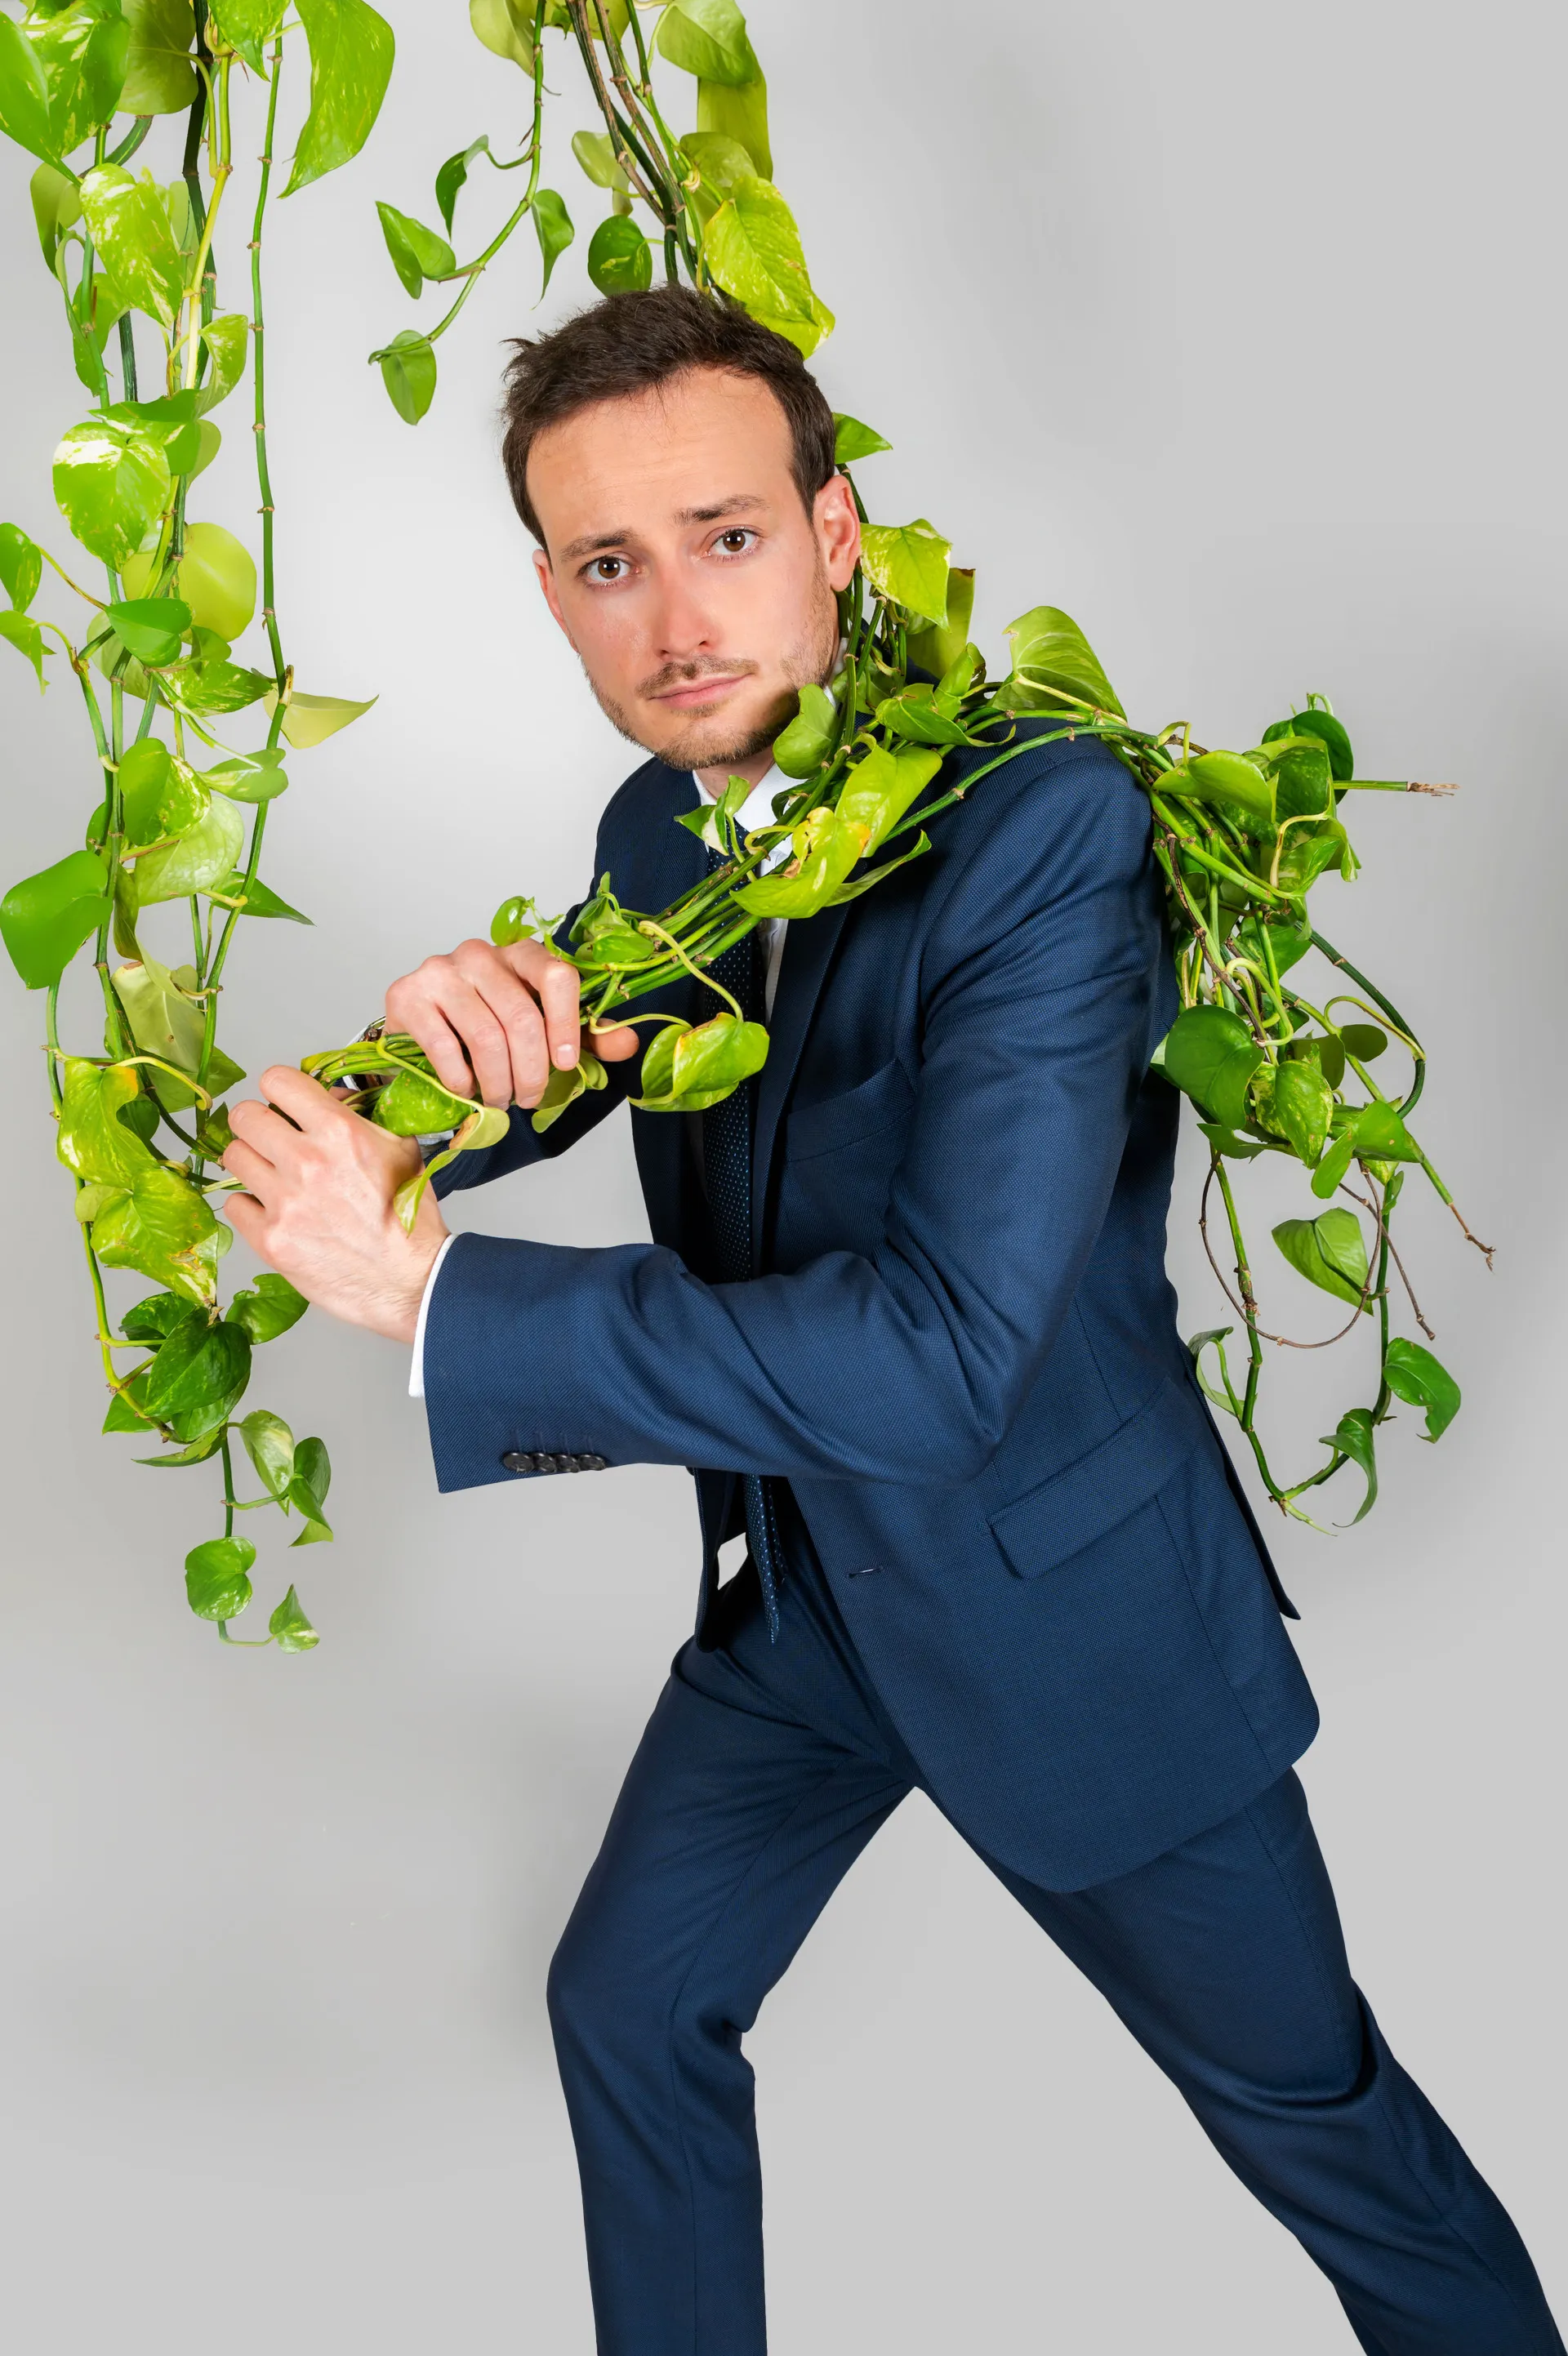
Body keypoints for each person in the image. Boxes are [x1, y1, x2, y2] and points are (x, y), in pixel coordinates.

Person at [219, 285, 1561, 2355]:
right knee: (630, 2003)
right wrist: (404, 1081)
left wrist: (442, 1296)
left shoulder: (1045, 828)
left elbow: (944, 1354)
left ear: (836, 532)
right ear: (554, 593)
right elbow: (591, 1050)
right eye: (609, 562)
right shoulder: (659, 825)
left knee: (1321, 2121)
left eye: (728, 533)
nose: (677, 617)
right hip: (811, 1606)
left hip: (1070, 1613)